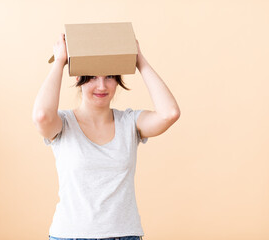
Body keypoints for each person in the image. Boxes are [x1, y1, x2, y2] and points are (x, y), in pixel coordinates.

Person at [32, 33, 181, 240]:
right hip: (70, 235)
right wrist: (60, 61)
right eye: (92, 76)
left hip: (125, 235)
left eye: (109, 76)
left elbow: (169, 113)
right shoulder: (63, 124)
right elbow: (41, 116)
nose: (102, 86)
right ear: (78, 78)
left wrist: (139, 59)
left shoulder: (129, 122)